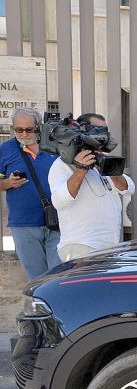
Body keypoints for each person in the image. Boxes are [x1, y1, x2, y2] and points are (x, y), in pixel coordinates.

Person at [48, 113, 135, 261]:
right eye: (98, 130)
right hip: (80, 248)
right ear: (82, 132)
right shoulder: (62, 164)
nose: (102, 135)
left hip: (109, 247)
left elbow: (128, 188)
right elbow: (59, 201)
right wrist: (80, 169)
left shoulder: (100, 160)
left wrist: (109, 167)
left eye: (105, 130)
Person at [0, 108, 61, 279]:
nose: (24, 134)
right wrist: (8, 182)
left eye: (29, 129)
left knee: (58, 275)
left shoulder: (54, 146)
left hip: (59, 221)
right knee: (37, 278)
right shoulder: (5, 150)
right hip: (24, 224)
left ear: (39, 127)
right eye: (19, 130)